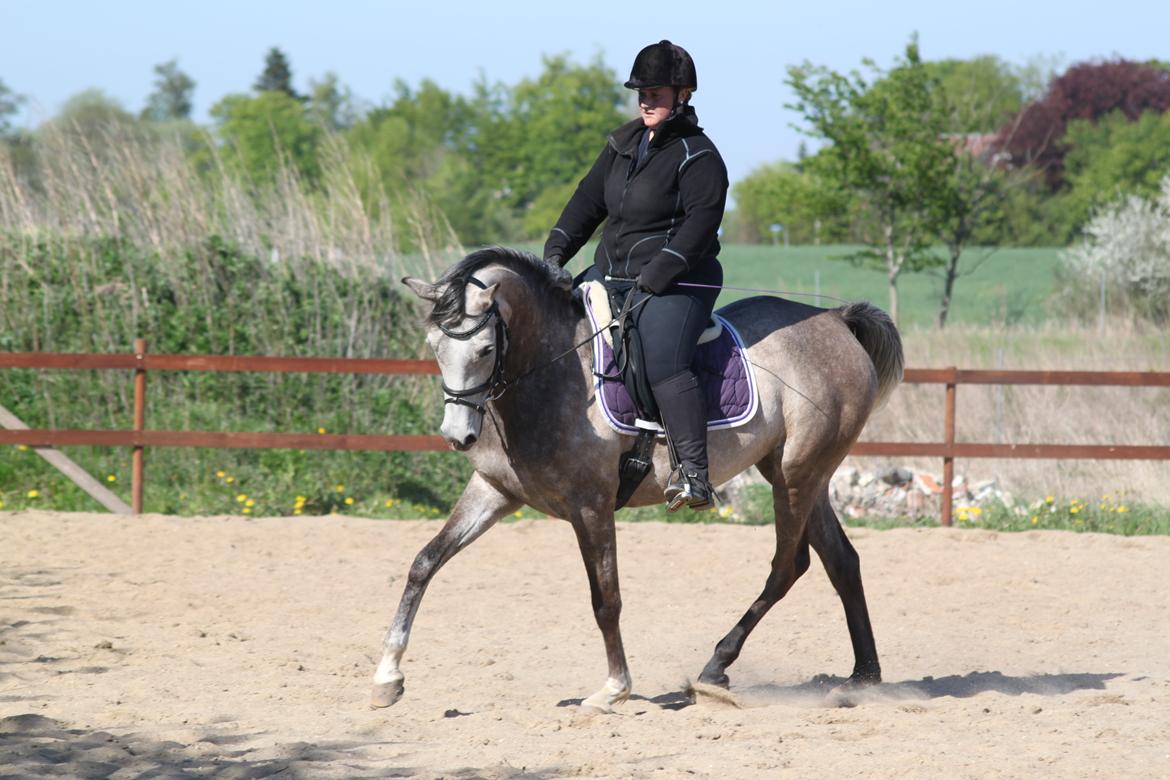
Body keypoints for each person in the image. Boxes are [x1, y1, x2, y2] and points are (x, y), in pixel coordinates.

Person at [543, 40, 729, 511]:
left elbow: (699, 225)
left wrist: (658, 273)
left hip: (681, 279)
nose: (647, 100)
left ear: (682, 94)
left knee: (664, 359)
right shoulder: (622, 145)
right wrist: (555, 254)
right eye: (641, 92)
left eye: (658, 92)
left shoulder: (699, 156)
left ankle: (693, 473)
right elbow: (587, 202)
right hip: (612, 274)